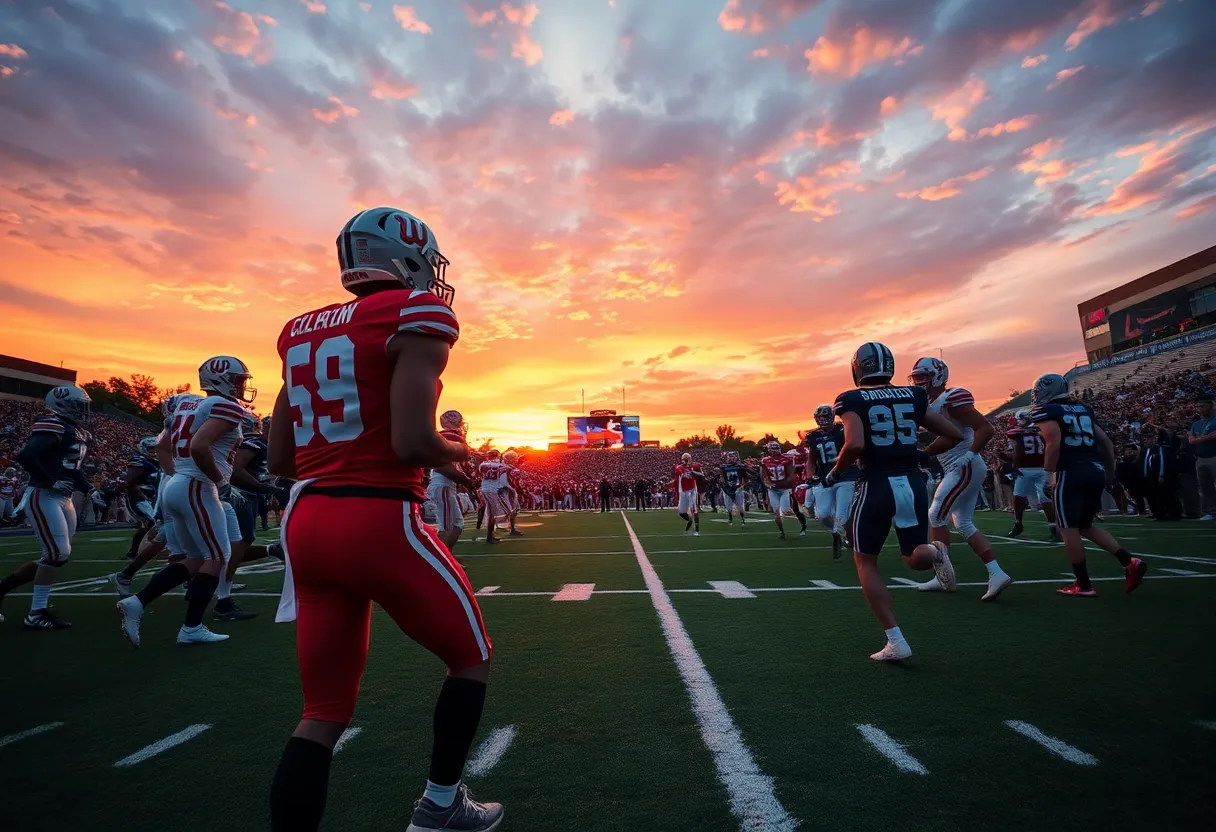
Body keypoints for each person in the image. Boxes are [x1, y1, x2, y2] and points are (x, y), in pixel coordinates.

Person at [266, 206, 499, 832]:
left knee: (322, 709)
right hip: (378, 517)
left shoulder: (296, 331)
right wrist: (461, 453)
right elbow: (411, 442)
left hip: (308, 521)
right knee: (470, 657)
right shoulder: (416, 312)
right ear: (408, 252)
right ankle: (442, 805)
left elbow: (280, 456)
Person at [830, 342, 962, 661]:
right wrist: (920, 453)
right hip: (912, 482)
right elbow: (952, 434)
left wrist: (835, 470)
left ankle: (895, 640)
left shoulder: (851, 398)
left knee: (865, 561)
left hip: (876, 484)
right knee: (914, 556)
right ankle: (934, 551)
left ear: (857, 367)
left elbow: (856, 444)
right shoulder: (913, 395)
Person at [117, 357, 254, 647]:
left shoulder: (187, 405)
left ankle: (138, 602)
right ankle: (191, 627)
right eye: (239, 380)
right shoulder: (226, 406)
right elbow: (199, 445)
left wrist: (177, 475)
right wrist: (219, 482)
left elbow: (164, 446)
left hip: (179, 485)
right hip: (198, 486)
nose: (242, 386)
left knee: (195, 558)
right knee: (218, 556)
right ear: (222, 379)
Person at [1028, 373, 1146, 597]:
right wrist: (1110, 473)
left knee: (1068, 529)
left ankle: (1083, 584)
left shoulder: (1047, 411)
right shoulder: (1084, 409)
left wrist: (1046, 475)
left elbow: (1054, 441)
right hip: (1095, 469)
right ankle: (1129, 561)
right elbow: (1106, 443)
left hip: (1070, 472)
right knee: (1085, 526)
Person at [908, 357, 1012, 602]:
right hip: (957, 466)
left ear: (939, 376)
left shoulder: (951, 398)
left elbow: (985, 428)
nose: (920, 381)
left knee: (935, 515)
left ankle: (944, 573)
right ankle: (995, 573)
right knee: (962, 522)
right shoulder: (932, 404)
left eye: (924, 376)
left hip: (963, 465)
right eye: (917, 377)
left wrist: (969, 454)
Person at [0, 385, 93, 629]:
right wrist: (51, 479)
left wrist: (90, 489)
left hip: (64, 498)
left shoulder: (79, 431)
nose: (83, 410)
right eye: (78, 405)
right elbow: (27, 455)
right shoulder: (52, 424)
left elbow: (74, 469)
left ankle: (3, 590)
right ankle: (36, 613)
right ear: (62, 404)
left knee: (55, 556)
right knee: (57, 553)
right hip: (44, 494)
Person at [806, 404, 857, 559]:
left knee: (842, 515)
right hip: (824, 477)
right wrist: (809, 477)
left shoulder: (841, 430)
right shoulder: (813, 436)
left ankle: (845, 540)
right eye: (821, 417)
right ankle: (836, 534)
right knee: (822, 514)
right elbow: (811, 459)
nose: (823, 419)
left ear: (833, 417)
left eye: (827, 416)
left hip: (845, 475)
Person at [1006, 409, 1059, 540]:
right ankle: (1018, 523)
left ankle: (1053, 527)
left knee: (1045, 498)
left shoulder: (1038, 429)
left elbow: (1011, 432)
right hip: (1025, 469)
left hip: (1041, 468)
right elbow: (1011, 433)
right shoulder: (1028, 431)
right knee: (1018, 496)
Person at [430, 410, 477, 550]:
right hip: (442, 485)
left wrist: (465, 479)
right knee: (446, 528)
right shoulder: (449, 436)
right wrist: (466, 481)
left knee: (457, 524)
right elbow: (443, 467)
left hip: (446, 486)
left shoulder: (446, 437)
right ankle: (436, 559)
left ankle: (448, 558)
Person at [761, 441, 801, 539]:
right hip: (773, 490)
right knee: (776, 511)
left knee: (786, 509)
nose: (775, 450)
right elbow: (764, 476)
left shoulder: (787, 459)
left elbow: (791, 475)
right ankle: (782, 530)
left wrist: (782, 484)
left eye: (776, 448)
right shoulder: (765, 460)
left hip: (784, 488)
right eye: (773, 448)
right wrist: (768, 484)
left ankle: (797, 522)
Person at [1189, 392, 1216, 520]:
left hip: (1214, 456)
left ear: (1211, 405)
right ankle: (1211, 512)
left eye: (1202, 405)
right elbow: (1191, 440)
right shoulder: (1196, 423)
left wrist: (1199, 439)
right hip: (1201, 458)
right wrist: (1205, 438)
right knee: (1205, 486)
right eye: (1198, 406)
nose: (1200, 409)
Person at [719, 450, 749, 526]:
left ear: (735, 458)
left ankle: (742, 519)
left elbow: (746, 478)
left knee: (740, 505)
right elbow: (722, 477)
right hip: (728, 488)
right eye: (729, 457)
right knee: (728, 506)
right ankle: (730, 518)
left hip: (738, 488)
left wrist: (742, 485)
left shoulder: (740, 467)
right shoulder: (723, 467)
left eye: (732, 457)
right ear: (727, 458)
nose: (731, 459)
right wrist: (724, 485)